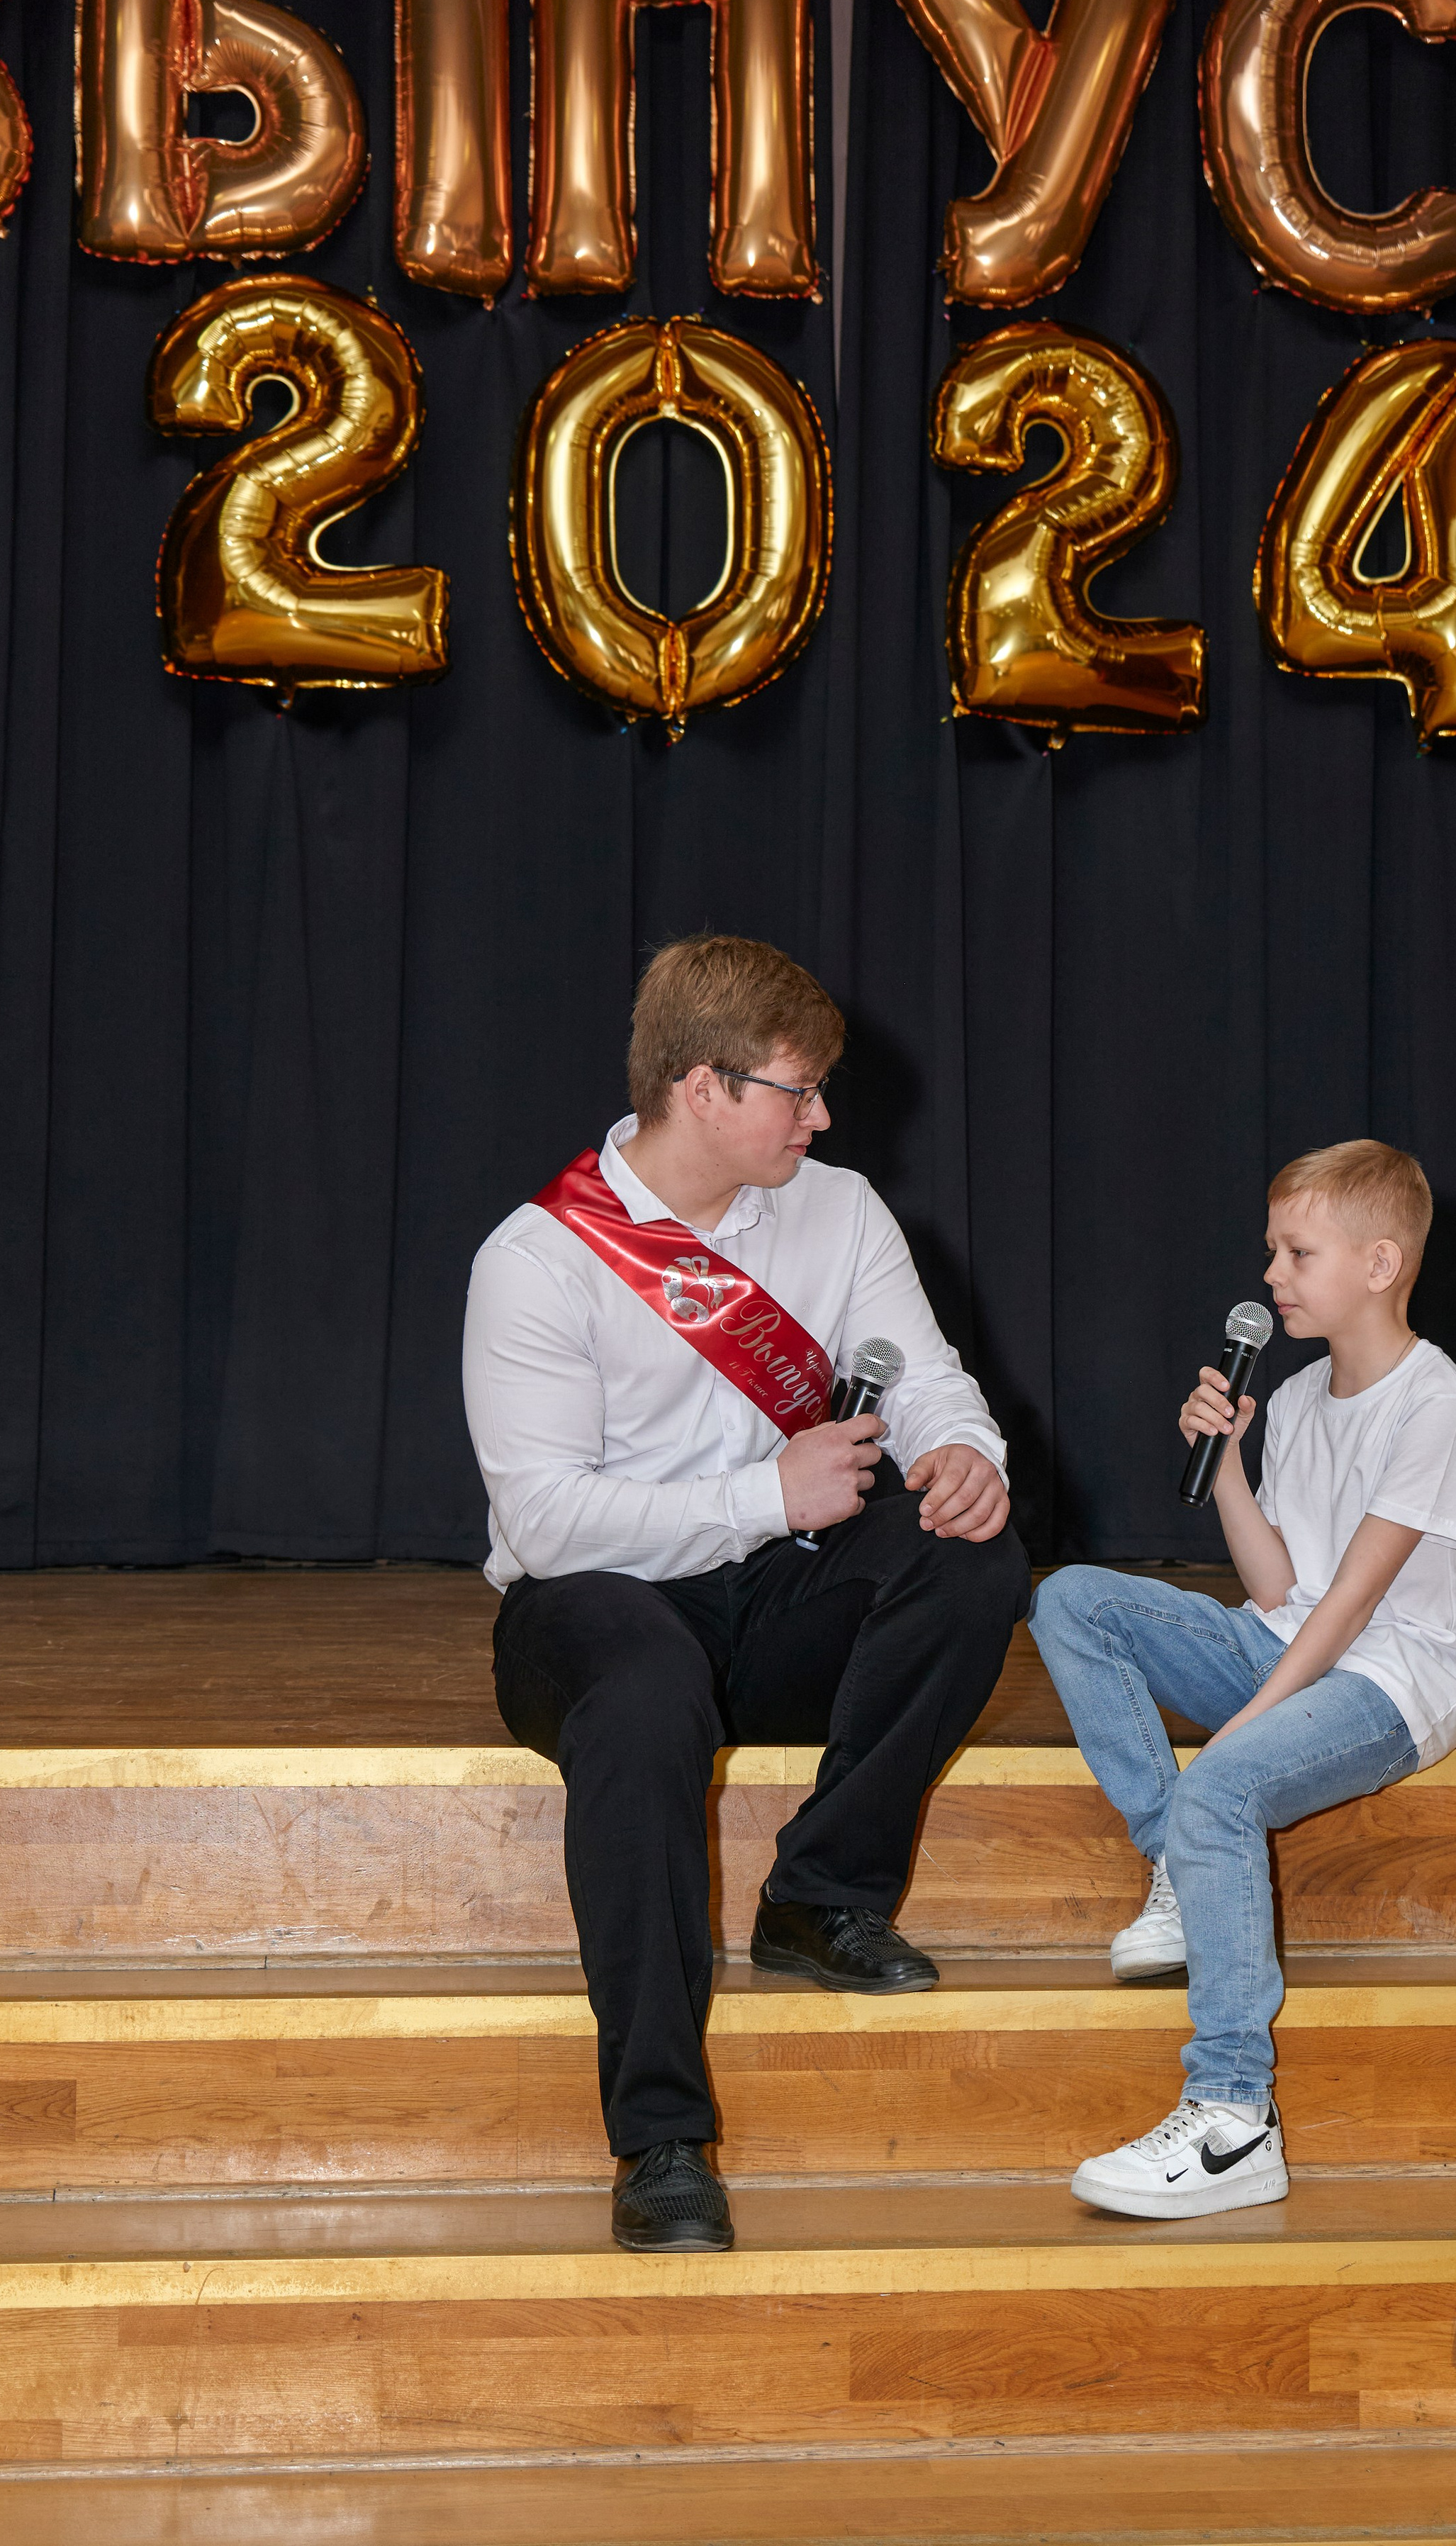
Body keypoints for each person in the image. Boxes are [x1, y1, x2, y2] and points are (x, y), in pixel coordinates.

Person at [462, 935, 1029, 2254]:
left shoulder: (839, 1210)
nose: (822, 1117)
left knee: (972, 1558)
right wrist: (766, 1499)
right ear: (701, 1089)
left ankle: (819, 1895)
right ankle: (659, 2137)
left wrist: (967, 1456)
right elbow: (547, 1522)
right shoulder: (539, 1261)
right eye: (798, 1089)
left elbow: (931, 1376)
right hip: (588, 1606)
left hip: (771, 1593)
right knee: (648, 1686)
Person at [1031, 1139, 1456, 2221]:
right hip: (1298, 1634)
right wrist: (1234, 1462)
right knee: (1073, 1601)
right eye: (1272, 1252)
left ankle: (1235, 2117)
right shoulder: (1290, 1398)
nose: (1272, 1276)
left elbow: (1355, 1604)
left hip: (1398, 1678)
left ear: (1380, 1264)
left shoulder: (1438, 1407)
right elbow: (1285, 1584)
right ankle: (1179, 1870)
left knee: (1224, 1783)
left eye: (1297, 1252)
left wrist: (1240, 1729)